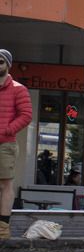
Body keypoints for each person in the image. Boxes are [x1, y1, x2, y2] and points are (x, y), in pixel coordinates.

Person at [0, 49, 32, 238]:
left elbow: (26, 115)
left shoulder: (18, 89)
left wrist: (7, 130)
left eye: (1, 62)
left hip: (5, 144)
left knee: (5, 184)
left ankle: (3, 227)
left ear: (8, 65)